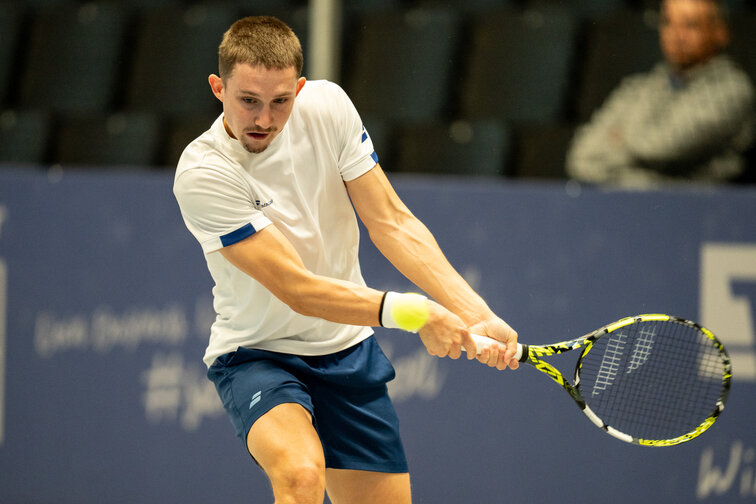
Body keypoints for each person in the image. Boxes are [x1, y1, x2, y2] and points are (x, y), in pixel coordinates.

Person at [173, 16, 519, 504]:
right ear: (218, 87)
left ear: (300, 88)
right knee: (300, 475)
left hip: (347, 350)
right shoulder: (204, 172)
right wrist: (415, 312)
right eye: (248, 100)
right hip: (258, 354)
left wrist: (477, 313)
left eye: (280, 102)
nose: (265, 120)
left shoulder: (328, 107)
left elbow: (392, 223)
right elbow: (298, 288)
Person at [566, 0, 755, 187]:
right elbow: (581, 156)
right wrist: (635, 176)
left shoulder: (733, 91)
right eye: (668, 22)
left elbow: (658, 147)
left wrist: (619, 138)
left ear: (720, 32)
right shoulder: (637, 87)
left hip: (701, 211)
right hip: (631, 204)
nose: (677, 35)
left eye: (690, 25)